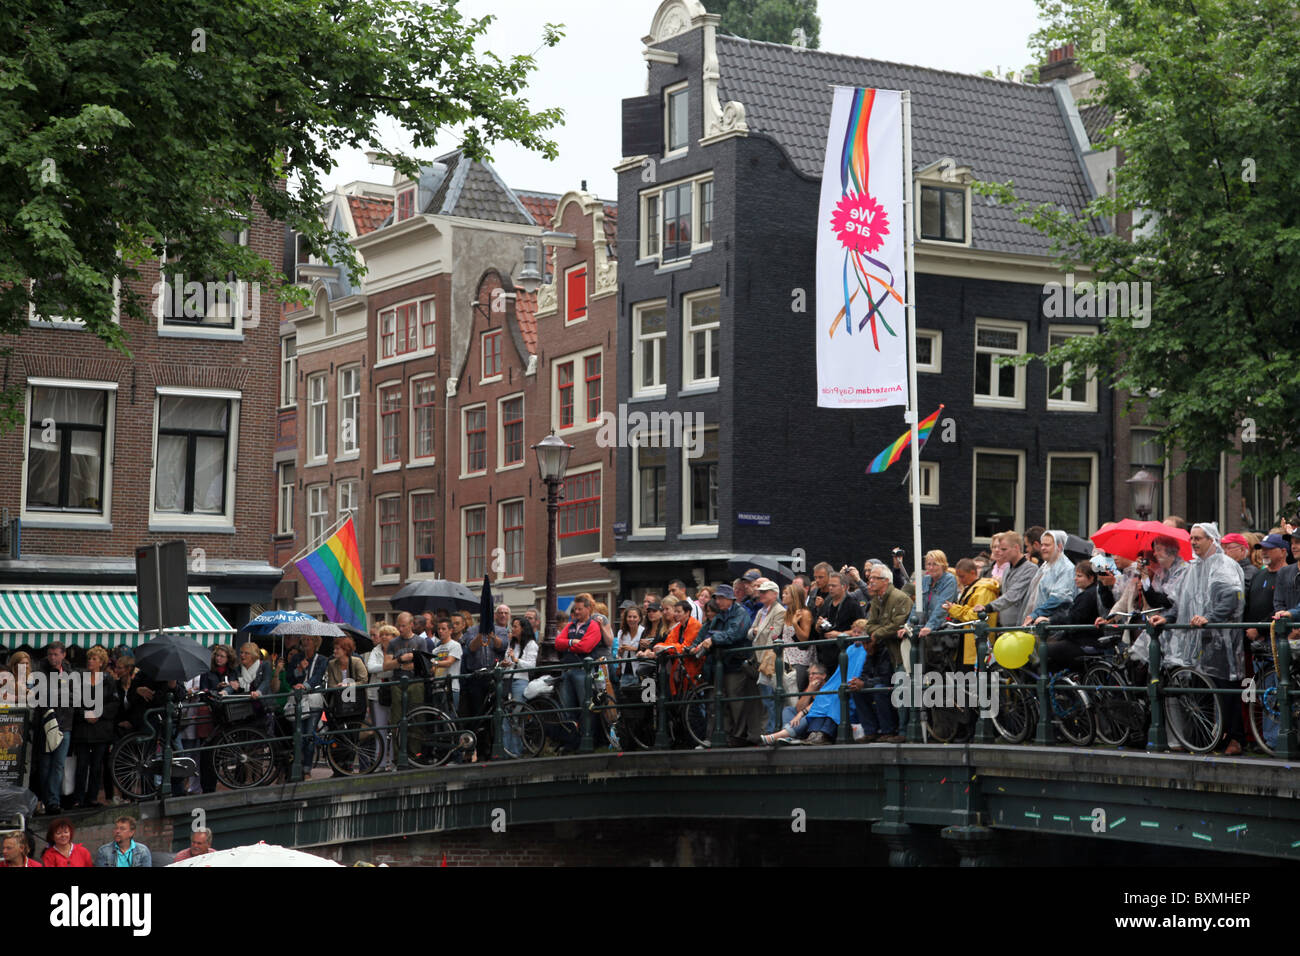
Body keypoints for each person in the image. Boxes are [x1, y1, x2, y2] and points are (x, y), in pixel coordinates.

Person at [1150, 523, 1246, 755]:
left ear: (1211, 539)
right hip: (1198, 640)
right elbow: (1182, 602)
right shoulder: (1193, 569)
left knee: (1227, 688)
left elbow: (1232, 597)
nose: (1193, 542)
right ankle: (1205, 738)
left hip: (1223, 640)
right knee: (1201, 689)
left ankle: (1234, 738)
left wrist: (1209, 617)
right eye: (1191, 538)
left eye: (1198, 538)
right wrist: (1167, 617)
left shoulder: (1225, 566)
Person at [689, 584, 762, 747]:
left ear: (730, 599)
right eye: (717, 598)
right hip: (721, 664)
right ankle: (726, 735)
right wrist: (696, 645)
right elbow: (707, 632)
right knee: (722, 701)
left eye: (721, 598)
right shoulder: (719, 616)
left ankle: (739, 736)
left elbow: (735, 634)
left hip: (736, 663)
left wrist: (713, 640)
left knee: (736, 701)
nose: (718, 601)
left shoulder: (740, 613)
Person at [854, 566, 911, 741]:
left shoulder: (900, 598)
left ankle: (902, 732)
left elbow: (897, 625)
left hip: (901, 652)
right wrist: (878, 631)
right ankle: (872, 730)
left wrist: (877, 634)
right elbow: (869, 625)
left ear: (886, 580)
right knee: (860, 689)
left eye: (874, 578)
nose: (870, 581)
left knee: (900, 689)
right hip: (886, 651)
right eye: (870, 578)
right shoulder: (876, 600)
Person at [69, 646, 120, 809]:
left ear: (101, 663)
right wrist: (85, 713)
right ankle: (78, 798)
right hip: (83, 729)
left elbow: (114, 703)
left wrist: (99, 713)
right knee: (82, 764)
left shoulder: (108, 680)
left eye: (94, 659)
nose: (90, 661)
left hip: (101, 729)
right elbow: (73, 701)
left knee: (97, 765)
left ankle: (92, 797)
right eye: (89, 658)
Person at [554, 595, 604, 749]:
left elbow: (586, 647)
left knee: (586, 706)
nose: (576, 612)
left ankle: (588, 741)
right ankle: (572, 742)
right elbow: (557, 643)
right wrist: (571, 642)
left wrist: (567, 646)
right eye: (575, 609)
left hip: (583, 671)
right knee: (567, 708)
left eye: (580, 609)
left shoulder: (594, 626)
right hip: (568, 670)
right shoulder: (570, 625)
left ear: (588, 609)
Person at [1036, 561, 1105, 670]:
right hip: (1087, 639)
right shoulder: (1091, 593)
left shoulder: (1087, 595)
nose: (1075, 579)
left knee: (1045, 650)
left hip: (1084, 641)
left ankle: (1050, 684)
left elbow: (1073, 618)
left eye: (1079, 576)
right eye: (1075, 575)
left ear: (1091, 578)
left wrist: (1050, 620)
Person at [35, 641, 77, 814]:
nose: (53, 658)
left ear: (63, 655)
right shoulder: (41, 672)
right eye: (50, 654)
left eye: (56, 654)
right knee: (45, 764)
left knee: (58, 764)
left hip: (64, 723)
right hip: (46, 723)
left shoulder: (70, 672)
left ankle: (53, 801)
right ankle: (45, 799)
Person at [975, 533, 1036, 641]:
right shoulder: (1008, 569)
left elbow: (1013, 595)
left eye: (1004, 549)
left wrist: (988, 607)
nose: (1000, 553)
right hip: (1004, 628)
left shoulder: (1030, 569)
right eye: (998, 549)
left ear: (1016, 547)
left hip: (1020, 628)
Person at [384, 612, 428, 760]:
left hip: (415, 683)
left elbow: (425, 664)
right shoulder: (393, 643)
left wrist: (413, 664)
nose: (400, 628)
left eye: (403, 625)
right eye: (399, 625)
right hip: (397, 684)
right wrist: (402, 659)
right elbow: (386, 665)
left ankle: (415, 754)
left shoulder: (420, 642)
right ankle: (398, 756)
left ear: (411, 625)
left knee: (417, 717)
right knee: (397, 719)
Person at [760, 663, 834, 744]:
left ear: (823, 676)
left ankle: (780, 735)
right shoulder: (810, 687)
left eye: (813, 674)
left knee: (809, 715)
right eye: (809, 674)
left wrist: (801, 714)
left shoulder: (829, 687)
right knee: (788, 709)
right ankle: (787, 735)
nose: (810, 676)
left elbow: (819, 705)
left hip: (815, 721)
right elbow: (798, 708)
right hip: (801, 722)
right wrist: (809, 690)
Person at [748, 579, 786, 733]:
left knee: (771, 698)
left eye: (764, 592)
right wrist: (756, 631)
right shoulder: (761, 611)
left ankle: (773, 730)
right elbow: (750, 632)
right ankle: (770, 729)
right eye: (760, 592)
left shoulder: (779, 611)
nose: (761, 594)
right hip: (760, 659)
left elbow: (774, 635)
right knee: (766, 698)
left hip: (769, 660)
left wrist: (757, 631)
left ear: (774, 594)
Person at [644, 596, 702, 697]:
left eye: (678, 612)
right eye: (675, 611)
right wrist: (659, 647)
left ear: (687, 613)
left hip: (691, 665)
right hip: (679, 667)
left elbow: (685, 645)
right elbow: (668, 642)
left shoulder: (694, 625)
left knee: (691, 699)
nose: (675, 614)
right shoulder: (678, 627)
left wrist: (665, 648)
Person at [903, 551, 959, 644]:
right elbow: (918, 605)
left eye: (935, 564)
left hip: (942, 629)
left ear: (943, 565)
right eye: (928, 564)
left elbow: (942, 606)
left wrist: (930, 626)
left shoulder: (949, 580)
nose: (931, 567)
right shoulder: (926, 579)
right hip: (926, 629)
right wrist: (908, 626)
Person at [1022, 530, 1077, 625]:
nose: (1043, 548)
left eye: (1047, 545)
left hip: (1053, 626)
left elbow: (1060, 597)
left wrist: (1036, 614)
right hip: (1036, 623)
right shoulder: (1046, 566)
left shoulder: (1066, 568)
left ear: (1059, 546)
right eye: (1042, 544)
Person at [811, 572, 862, 673]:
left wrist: (840, 634)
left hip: (844, 653)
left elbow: (862, 630)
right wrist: (818, 625)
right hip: (825, 655)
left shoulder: (853, 605)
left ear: (844, 587)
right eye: (829, 585)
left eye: (834, 586)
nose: (830, 588)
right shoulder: (826, 604)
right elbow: (817, 630)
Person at [366, 624, 397, 769]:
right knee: (380, 728)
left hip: (394, 691)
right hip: (376, 693)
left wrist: (383, 669)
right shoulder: (375, 650)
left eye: (388, 634)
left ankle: (395, 761)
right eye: (382, 634)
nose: (384, 637)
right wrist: (387, 666)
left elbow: (397, 669)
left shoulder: (397, 649)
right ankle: (381, 762)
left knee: (397, 727)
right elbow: (370, 668)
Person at [430, 619, 464, 712]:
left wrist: (435, 663)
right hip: (437, 687)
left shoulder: (455, 645)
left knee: (449, 717)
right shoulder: (435, 650)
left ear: (450, 630)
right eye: (439, 629)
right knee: (438, 718)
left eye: (443, 629)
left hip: (451, 687)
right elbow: (433, 670)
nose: (440, 631)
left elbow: (449, 662)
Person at [614, 606, 644, 687]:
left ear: (640, 618)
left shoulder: (643, 631)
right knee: (625, 698)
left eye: (635, 617)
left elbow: (646, 650)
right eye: (629, 617)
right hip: (625, 672)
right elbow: (619, 655)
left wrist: (633, 649)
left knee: (641, 698)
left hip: (640, 672)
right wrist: (620, 652)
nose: (631, 619)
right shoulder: (621, 632)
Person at [1273, 533, 1300, 615]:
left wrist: (1292, 615)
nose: (1293, 546)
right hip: (1287, 625)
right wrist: (1286, 619)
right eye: (1292, 543)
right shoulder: (1283, 572)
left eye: (1298, 542)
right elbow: (1278, 602)